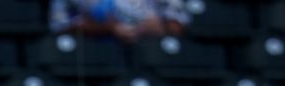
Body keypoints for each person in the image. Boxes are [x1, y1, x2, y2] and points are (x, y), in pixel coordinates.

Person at [49, 0, 188, 42]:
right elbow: (61, 26)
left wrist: (150, 27)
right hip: (96, 52)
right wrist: (107, 28)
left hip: (149, 50)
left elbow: (177, 26)